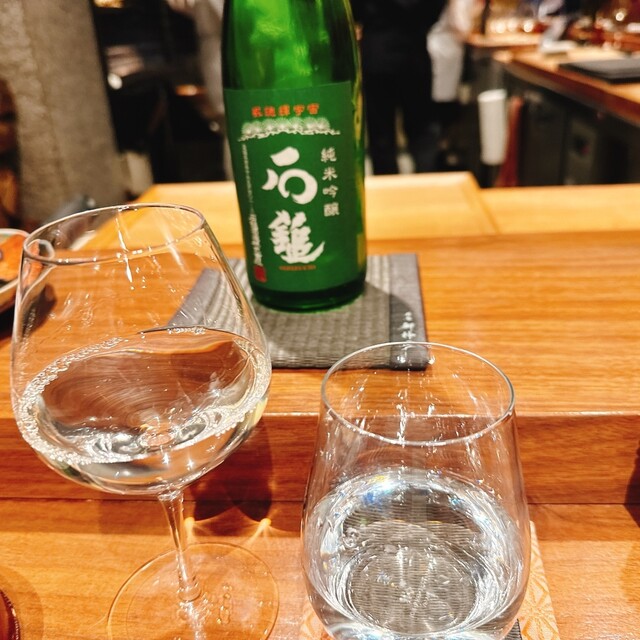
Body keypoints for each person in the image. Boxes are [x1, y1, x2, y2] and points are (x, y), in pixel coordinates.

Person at [350, 0, 446, 175]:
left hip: (377, 53)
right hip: (414, 52)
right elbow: (435, 9)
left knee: (381, 133)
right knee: (421, 127)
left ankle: (387, 183)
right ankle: (429, 179)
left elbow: (354, 11)